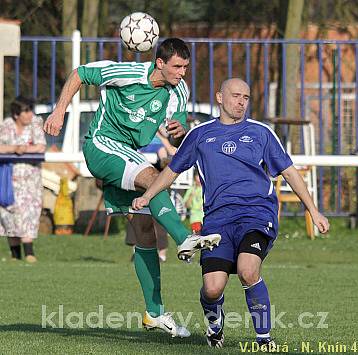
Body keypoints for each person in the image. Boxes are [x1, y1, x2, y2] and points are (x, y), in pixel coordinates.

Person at [132, 78, 330, 349]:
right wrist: (147, 195)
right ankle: (215, 326)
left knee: (248, 270)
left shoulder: (261, 133)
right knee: (212, 289)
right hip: (217, 221)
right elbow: (172, 171)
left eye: (246, 97)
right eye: (236, 96)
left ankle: (264, 339)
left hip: (256, 214)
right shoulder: (200, 135)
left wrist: (314, 210)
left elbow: (289, 171)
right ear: (220, 98)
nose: (241, 102)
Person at [43, 38, 220, 337]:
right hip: (102, 145)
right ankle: (184, 238)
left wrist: (180, 132)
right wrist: (59, 110)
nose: (182, 72)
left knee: (145, 232)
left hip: (128, 155)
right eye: (177, 66)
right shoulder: (125, 73)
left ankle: (155, 313)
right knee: (153, 177)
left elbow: (176, 137)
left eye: (186, 67)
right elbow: (80, 73)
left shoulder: (179, 91)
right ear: (160, 63)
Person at [0, 96, 46, 263]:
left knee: (27, 213)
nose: (29, 114)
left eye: (30, 110)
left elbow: (40, 146)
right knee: (7, 214)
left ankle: (29, 254)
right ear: (16, 114)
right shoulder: (6, 126)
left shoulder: (35, 123)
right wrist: (14, 149)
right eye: (25, 111)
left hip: (29, 180)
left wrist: (23, 149)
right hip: (8, 179)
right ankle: (15, 255)